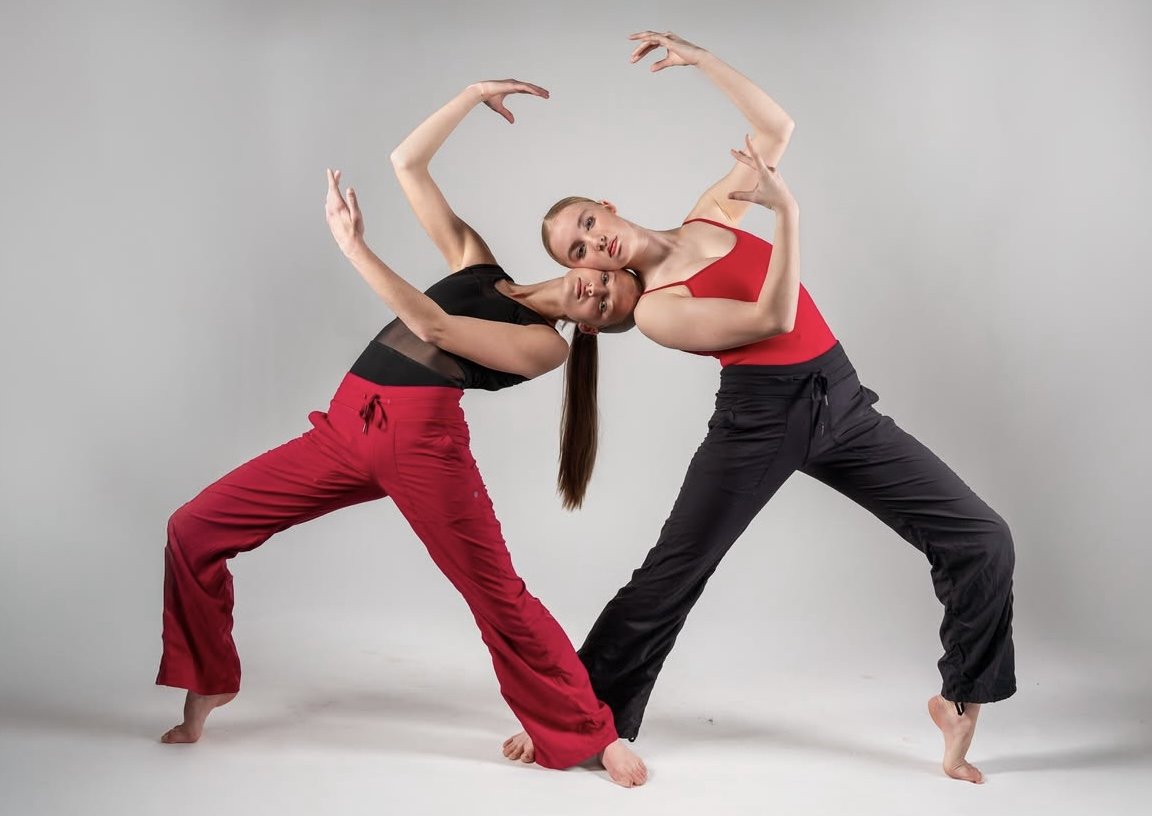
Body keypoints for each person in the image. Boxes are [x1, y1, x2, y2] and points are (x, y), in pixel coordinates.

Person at [504, 32, 1015, 784]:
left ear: (605, 206)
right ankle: (570, 719)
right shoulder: (658, 311)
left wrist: (701, 60)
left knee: (983, 537)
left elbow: (776, 131)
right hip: (760, 420)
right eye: (575, 252)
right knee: (672, 575)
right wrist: (790, 217)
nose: (590, 242)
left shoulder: (711, 217)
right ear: (587, 271)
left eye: (584, 222)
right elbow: (773, 321)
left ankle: (960, 699)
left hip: (840, 399)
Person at [156, 80, 647, 787]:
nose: (595, 294)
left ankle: (593, 736)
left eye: (605, 310)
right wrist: (472, 95)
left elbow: (435, 327)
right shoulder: (478, 262)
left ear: (596, 329)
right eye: (603, 280)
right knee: (193, 527)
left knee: (497, 596)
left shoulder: (547, 346)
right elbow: (407, 164)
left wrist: (356, 249)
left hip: (422, 447)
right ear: (590, 258)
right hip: (343, 428)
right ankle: (210, 677)